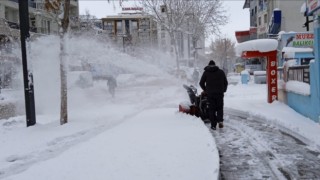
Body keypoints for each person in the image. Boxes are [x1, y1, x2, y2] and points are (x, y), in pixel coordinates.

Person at [199, 60, 228, 130]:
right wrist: (223, 90)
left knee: (212, 109)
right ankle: (220, 121)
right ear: (215, 65)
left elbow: (201, 83)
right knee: (220, 108)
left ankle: (213, 125)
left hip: (210, 94)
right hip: (219, 94)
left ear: (208, 65)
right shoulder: (221, 72)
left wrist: (206, 90)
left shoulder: (206, 72)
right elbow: (226, 82)